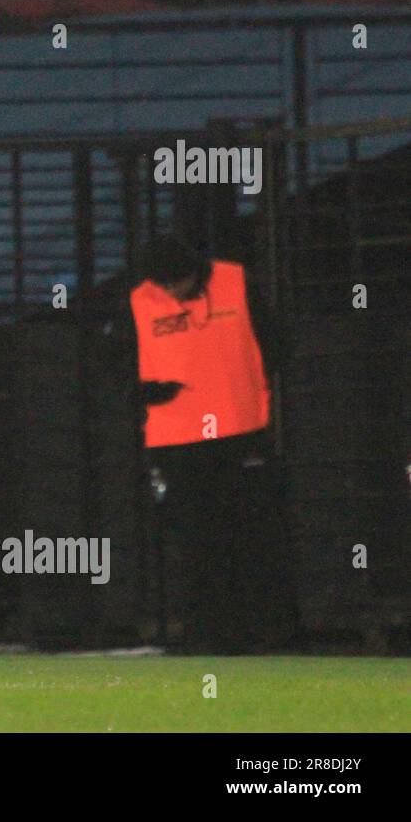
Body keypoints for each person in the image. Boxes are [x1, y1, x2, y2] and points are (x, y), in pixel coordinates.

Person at [122, 234, 296, 653]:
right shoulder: (139, 299)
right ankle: (209, 638)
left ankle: (268, 635)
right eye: (163, 286)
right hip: (178, 441)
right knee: (198, 544)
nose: (170, 293)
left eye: (176, 284)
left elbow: (275, 344)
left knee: (255, 538)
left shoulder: (235, 282)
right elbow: (114, 361)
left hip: (239, 433)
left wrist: (242, 384)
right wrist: (142, 391)